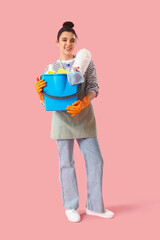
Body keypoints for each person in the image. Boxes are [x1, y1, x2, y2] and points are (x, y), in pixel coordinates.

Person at [35, 21, 114, 223]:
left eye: (71, 40)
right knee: (66, 164)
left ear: (75, 42)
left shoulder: (85, 62)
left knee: (96, 160)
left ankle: (94, 206)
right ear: (57, 42)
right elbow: (50, 100)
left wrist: (84, 102)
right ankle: (70, 206)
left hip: (85, 119)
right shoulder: (51, 68)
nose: (68, 44)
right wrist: (40, 93)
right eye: (64, 40)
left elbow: (94, 86)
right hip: (62, 121)